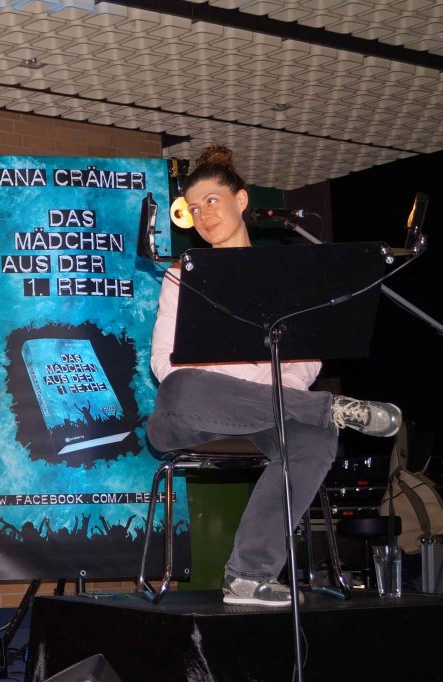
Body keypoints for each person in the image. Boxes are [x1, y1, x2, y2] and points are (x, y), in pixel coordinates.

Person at [147, 144, 401, 607]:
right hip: (195, 415)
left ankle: (248, 575)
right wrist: (241, 380)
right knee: (182, 386)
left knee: (316, 440)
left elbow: (307, 362)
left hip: (267, 415)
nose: (203, 215)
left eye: (212, 201)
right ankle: (331, 409)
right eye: (194, 208)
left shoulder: (285, 277)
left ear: (241, 200)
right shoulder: (182, 276)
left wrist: (262, 391)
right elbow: (165, 364)